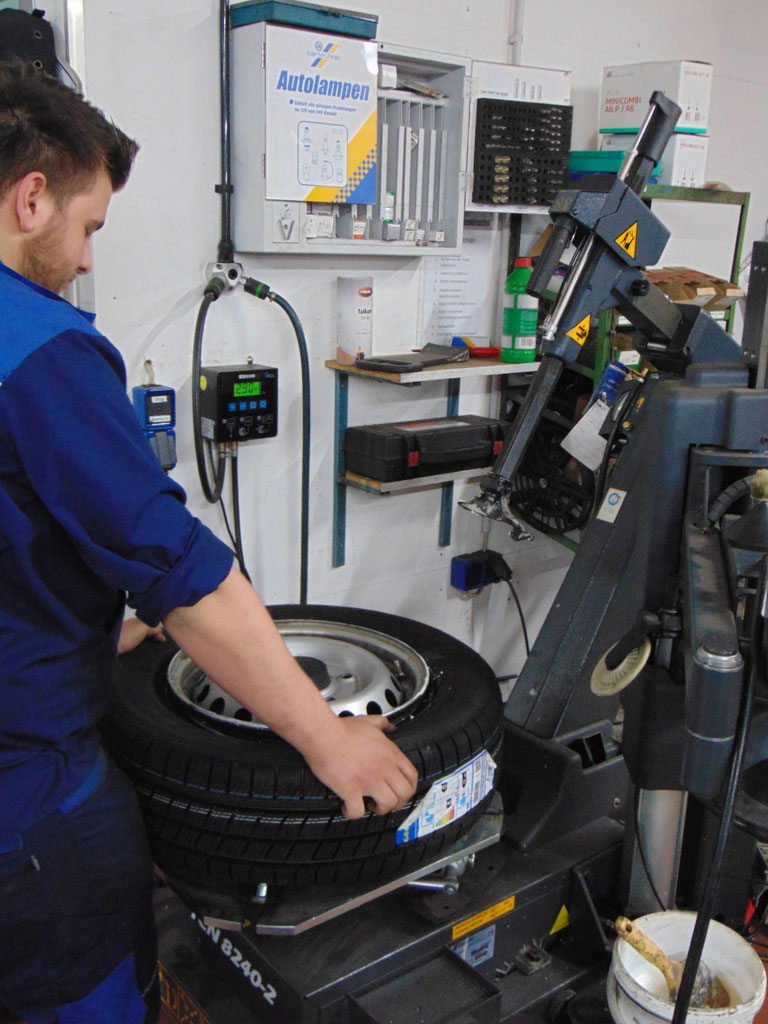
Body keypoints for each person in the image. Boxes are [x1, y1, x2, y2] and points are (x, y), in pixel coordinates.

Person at [0, 61, 418, 1024]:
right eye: (89, 226)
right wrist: (328, 739)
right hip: (30, 809)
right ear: (32, 198)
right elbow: (183, 577)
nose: (88, 259)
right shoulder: (41, 349)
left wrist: (93, 633)